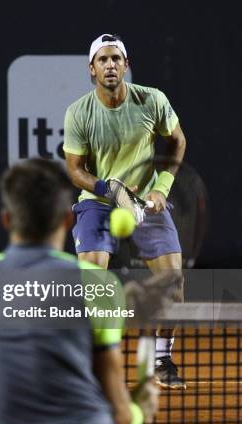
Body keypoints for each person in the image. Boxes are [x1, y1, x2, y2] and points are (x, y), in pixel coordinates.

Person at [0, 159, 160, 424]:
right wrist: (142, 408)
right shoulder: (97, 285)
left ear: (6, 219)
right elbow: (121, 415)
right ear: (68, 219)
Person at [63, 34, 187, 389]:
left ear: (126, 65)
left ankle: (159, 358)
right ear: (92, 69)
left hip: (146, 202)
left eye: (116, 58)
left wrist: (161, 187)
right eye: (102, 60)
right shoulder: (79, 112)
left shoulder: (152, 100)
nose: (110, 65)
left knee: (174, 284)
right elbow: (74, 170)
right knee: (93, 278)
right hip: (98, 204)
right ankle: (97, 359)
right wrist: (109, 189)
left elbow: (177, 140)